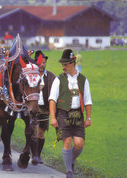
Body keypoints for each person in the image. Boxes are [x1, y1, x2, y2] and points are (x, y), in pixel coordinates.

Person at [49, 49, 92, 178]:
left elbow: (88, 101)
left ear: (73, 63)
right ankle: (69, 171)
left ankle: (70, 161)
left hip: (78, 115)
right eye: (62, 64)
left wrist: (88, 117)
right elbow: (52, 99)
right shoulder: (58, 80)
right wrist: (53, 118)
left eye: (66, 64)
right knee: (67, 141)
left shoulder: (83, 80)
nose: (63, 67)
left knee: (79, 144)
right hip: (63, 114)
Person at [31, 50, 56, 165]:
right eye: (40, 63)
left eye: (44, 63)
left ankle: (38, 154)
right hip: (34, 108)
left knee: (41, 134)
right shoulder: (31, 76)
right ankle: (34, 155)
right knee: (34, 133)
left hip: (45, 109)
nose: (42, 65)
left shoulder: (51, 77)